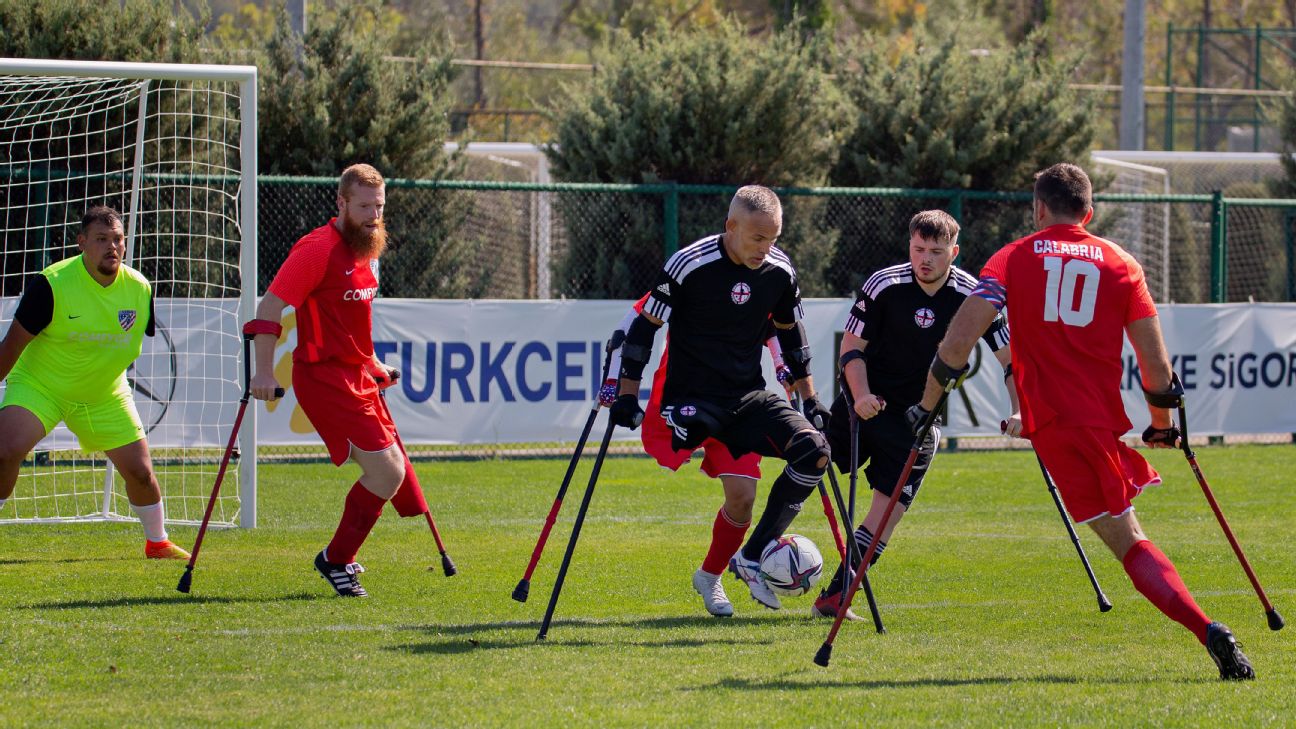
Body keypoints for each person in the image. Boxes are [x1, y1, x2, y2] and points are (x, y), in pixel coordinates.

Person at [914, 162, 1254, 680]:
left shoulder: (1010, 259)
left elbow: (956, 345)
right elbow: (1157, 370)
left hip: (1052, 427)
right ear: (1089, 213)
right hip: (1098, 424)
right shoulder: (1122, 263)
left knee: (1129, 542)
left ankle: (1208, 629)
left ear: (1039, 209)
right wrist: (1161, 425)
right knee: (1132, 538)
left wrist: (926, 405)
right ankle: (1207, 630)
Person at [606, 184, 832, 611]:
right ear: (731, 226)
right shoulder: (690, 264)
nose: (766, 248)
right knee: (693, 429)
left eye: (774, 239)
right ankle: (729, 565)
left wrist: (810, 397)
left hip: (745, 398)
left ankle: (737, 563)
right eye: (757, 238)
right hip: (690, 397)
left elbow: (791, 335)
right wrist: (627, 394)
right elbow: (644, 328)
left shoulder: (779, 270)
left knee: (813, 453)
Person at [811, 210, 1019, 620]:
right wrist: (862, 395)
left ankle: (836, 596)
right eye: (918, 249)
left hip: (918, 418)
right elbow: (851, 349)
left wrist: (1018, 409)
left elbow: (1012, 362)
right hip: (863, 403)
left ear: (953, 253)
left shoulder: (976, 297)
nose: (925, 259)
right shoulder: (885, 284)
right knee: (807, 464)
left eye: (936, 251)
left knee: (888, 512)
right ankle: (758, 556)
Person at [248, 163, 434, 598]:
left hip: (355, 375)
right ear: (342, 203)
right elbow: (270, 308)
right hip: (323, 378)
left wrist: (373, 362)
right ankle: (335, 559)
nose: (374, 215)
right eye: (365, 206)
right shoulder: (317, 250)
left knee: (392, 472)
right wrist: (260, 371)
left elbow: (350, 324)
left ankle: (339, 556)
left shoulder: (367, 247)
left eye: (380, 206)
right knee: (387, 472)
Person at [0, 206, 189, 559]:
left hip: (105, 392)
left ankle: (158, 542)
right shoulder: (51, 285)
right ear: (82, 243)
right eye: (101, 239)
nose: (112, 247)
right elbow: (11, 346)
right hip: (42, 387)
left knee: (141, 473)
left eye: (118, 239)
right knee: (5, 451)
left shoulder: (139, 288)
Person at [606, 296, 795, 617]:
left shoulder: (764, 272)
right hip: (681, 397)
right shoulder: (693, 267)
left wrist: (781, 363)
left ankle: (709, 576)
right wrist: (615, 381)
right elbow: (635, 322)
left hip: (738, 399)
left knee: (743, 496)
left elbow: (777, 325)